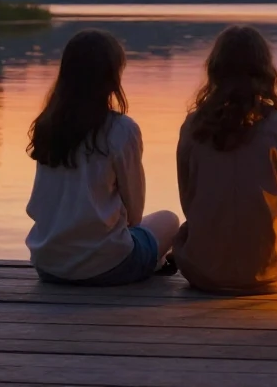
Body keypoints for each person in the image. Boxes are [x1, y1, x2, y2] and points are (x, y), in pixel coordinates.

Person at [172, 25, 277, 294]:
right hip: (274, 274)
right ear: (265, 72)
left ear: (214, 70)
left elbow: (188, 199)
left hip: (204, 273)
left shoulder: (193, 126)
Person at [25, 29, 180, 285]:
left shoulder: (47, 126)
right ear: (112, 77)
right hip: (108, 266)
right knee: (169, 219)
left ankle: (149, 261)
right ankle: (153, 263)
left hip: (48, 266)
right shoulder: (121, 129)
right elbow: (136, 213)